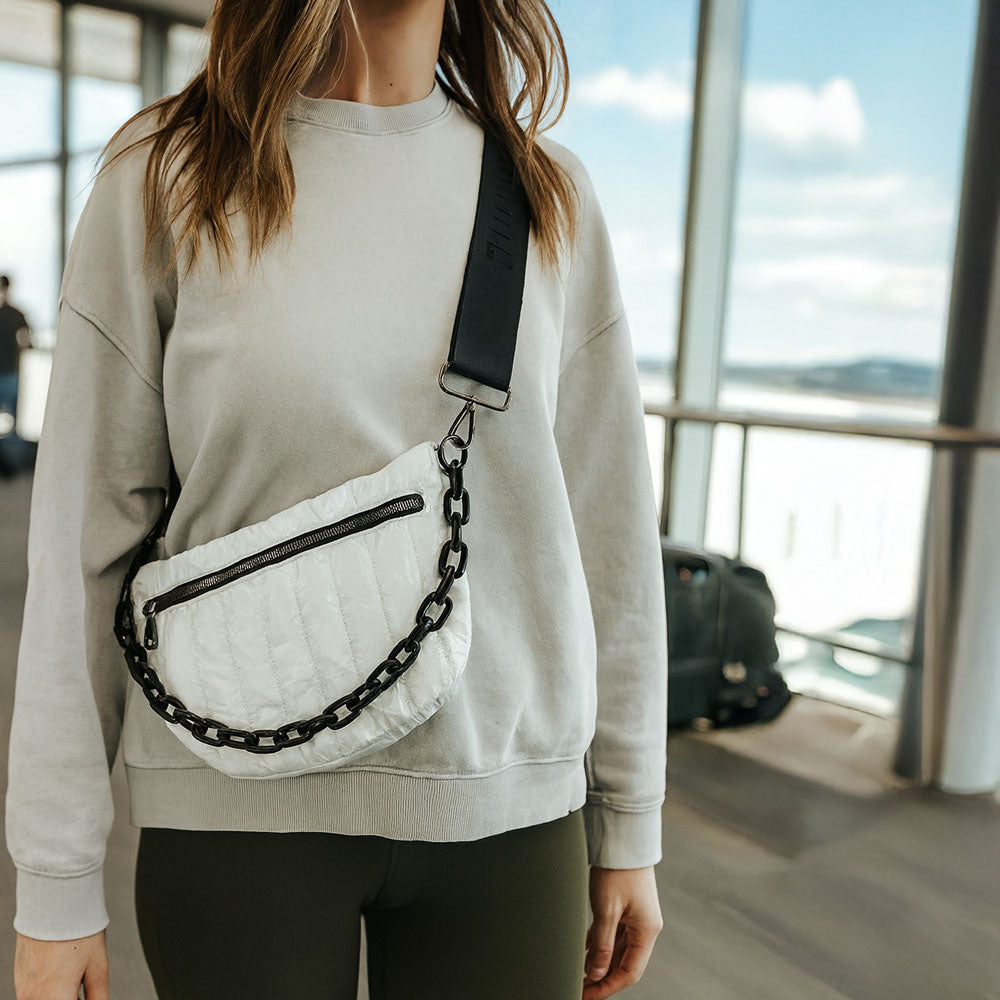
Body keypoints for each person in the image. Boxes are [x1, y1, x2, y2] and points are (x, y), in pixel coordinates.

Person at [6, 1, 668, 998]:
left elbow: (607, 533)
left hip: (508, 810)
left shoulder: (544, 195)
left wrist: (629, 816)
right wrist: (54, 881)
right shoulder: (168, 173)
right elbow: (80, 548)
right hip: (235, 809)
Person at [0, 273, 31, 473]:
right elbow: (27, 341)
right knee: (13, 422)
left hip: (8, 372)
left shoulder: (13, 313)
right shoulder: (17, 314)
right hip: (11, 371)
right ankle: (10, 464)